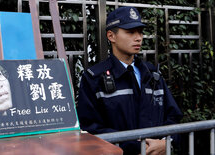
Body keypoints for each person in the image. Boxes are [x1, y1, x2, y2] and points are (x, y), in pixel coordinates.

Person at [77, 6, 183, 155]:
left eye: (140, 32)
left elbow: (173, 117)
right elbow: (90, 127)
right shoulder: (94, 78)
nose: (138, 37)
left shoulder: (152, 74)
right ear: (111, 36)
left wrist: (166, 142)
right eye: (130, 32)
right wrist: (134, 146)